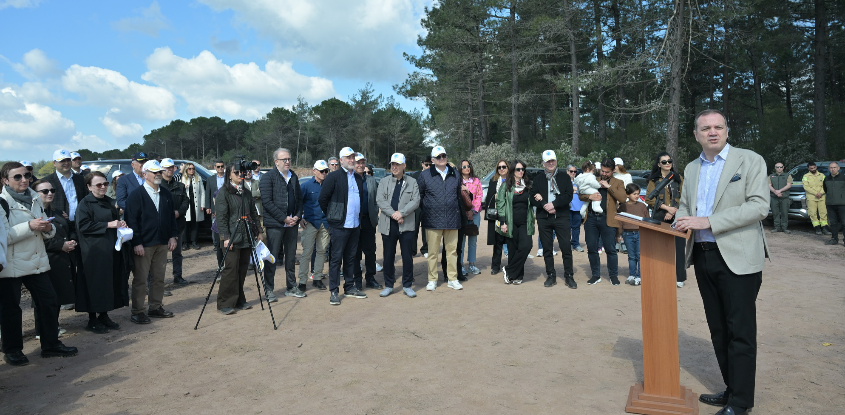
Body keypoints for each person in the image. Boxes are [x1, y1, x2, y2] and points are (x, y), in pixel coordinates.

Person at [674, 109, 770, 415]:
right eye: (706, 128)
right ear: (696, 135)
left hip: (738, 258)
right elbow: (685, 207)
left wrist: (709, 221)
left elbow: (759, 207)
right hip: (703, 255)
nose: (712, 132)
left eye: (718, 127)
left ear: (727, 131)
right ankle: (732, 389)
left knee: (740, 331)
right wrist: (678, 220)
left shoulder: (750, 160)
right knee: (718, 330)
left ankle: (741, 402)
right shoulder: (692, 168)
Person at [0, 162, 78, 365]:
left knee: (49, 302)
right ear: (5, 180)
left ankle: (50, 344)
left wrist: (49, 229)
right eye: (17, 177)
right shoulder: (2, 203)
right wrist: (30, 225)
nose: (24, 180)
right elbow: (3, 236)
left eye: (26, 175)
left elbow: (45, 227)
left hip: (36, 260)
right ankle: (12, 350)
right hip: (11, 264)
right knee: (10, 309)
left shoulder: (34, 198)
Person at [74, 171, 130, 333]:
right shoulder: (85, 204)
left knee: (108, 282)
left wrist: (120, 224)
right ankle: (92, 319)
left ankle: (104, 315)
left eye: (105, 184)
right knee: (94, 284)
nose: (103, 187)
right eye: (98, 185)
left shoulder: (108, 201)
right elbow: (82, 226)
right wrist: (108, 225)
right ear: (89, 187)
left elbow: (114, 221)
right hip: (94, 251)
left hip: (110, 248)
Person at [124, 160, 178, 324]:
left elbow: (171, 218)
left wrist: (172, 236)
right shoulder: (136, 195)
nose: (158, 174)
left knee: (159, 277)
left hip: (162, 242)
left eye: (159, 171)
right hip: (144, 244)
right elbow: (131, 221)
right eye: (154, 172)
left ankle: (155, 307)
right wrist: (136, 243)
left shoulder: (166, 193)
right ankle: (138, 311)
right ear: (144, 174)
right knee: (141, 279)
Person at [318, 147, 368, 305]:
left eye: (353, 157)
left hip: (355, 225)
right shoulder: (333, 177)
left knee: (351, 258)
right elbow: (323, 199)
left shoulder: (358, 178)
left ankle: (349, 286)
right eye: (348, 157)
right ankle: (334, 290)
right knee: (335, 259)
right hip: (339, 226)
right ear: (341, 160)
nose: (351, 160)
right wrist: (333, 216)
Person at [44, 149, 88, 309]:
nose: (66, 163)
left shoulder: (80, 179)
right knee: (63, 264)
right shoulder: (48, 181)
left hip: (80, 224)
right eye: (62, 160)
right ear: (54, 163)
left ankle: (79, 294)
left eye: (68, 160)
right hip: (59, 225)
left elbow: (84, 200)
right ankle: (65, 298)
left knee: (81, 261)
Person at [215, 162, 262, 315]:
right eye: (236, 172)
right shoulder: (223, 192)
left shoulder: (246, 192)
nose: (240, 174)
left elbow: (253, 213)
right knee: (230, 270)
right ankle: (224, 303)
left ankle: (239, 299)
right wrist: (226, 238)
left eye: (242, 172)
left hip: (246, 235)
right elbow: (221, 218)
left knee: (242, 270)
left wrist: (259, 231)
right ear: (229, 175)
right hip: (232, 237)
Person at [31, 180, 75, 336]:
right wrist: (60, 245)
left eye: (52, 190)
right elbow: (35, 238)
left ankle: (52, 326)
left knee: (56, 294)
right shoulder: (32, 213)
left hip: (60, 259)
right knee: (43, 297)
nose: (50, 193)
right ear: (35, 194)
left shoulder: (57, 211)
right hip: (43, 258)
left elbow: (68, 227)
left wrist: (72, 240)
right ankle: (41, 331)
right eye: (45, 191)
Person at [417, 146, 464, 291]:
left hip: (452, 219)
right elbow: (420, 196)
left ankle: (452, 278)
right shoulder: (425, 175)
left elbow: (458, 195)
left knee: (452, 251)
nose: (442, 158)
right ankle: (432, 279)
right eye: (438, 157)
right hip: (432, 220)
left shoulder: (455, 174)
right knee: (432, 253)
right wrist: (428, 210)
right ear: (432, 160)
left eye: (444, 155)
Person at [260, 148, 305, 300]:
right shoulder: (268, 177)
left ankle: (291, 286)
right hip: (275, 224)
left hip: (292, 224)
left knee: (291, 257)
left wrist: (297, 216)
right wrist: (284, 218)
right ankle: (269, 289)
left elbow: (299, 199)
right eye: (284, 159)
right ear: (276, 162)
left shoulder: (293, 176)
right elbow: (267, 202)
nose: (287, 162)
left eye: (289, 159)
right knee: (272, 257)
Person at [376, 153, 420, 298]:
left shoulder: (412, 182)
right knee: (388, 256)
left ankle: (407, 285)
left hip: (406, 224)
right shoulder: (384, 181)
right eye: (392, 164)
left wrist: (401, 213)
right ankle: (389, 285)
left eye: (397, 164)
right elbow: (380, 200)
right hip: (388, 224)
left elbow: (415, 201)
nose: (394, 167)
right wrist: (394, 214)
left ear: (404, 166)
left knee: (407, 256)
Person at [531, 150, 576, 288]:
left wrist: (554, 204)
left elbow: (568, 195)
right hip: (544, 218)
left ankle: (569, 275)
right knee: (547, 248)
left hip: (561, 216)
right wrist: (544, 204)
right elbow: (532, 196)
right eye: (548, 161)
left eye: (553, 161)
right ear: (543, 163)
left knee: (566, 247)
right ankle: (551, 275)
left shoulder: (564, 177)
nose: (551, 163)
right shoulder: (538, 179)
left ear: (556, 161)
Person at [579, 158, 627, 286]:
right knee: (591, 248)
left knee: (610, 249)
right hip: (591, 218)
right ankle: (595, 275)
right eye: (603, 171)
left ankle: (613, 276)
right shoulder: (593, 179)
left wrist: (609, 187)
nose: (604, 174)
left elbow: (623, 198)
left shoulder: (618, 182)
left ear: (613, 171)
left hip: (608, 219)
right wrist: (589, 196)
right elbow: (581, 194)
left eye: (607, 172)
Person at [645, 151, 687, 288]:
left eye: (669, 161)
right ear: (659, 164)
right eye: (664, 162)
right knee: (660, 247)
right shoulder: (653, 180)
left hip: (678, 216)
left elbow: (685, 197)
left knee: (679, 247)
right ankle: (661, 274)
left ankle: (679, 277)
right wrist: (666, 208)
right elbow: (649, 199)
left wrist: (674, 210)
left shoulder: (678, 178)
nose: (668, 164)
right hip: (660, 216)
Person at [496, 160, 536, 285]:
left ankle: (508, 269)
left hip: (525, 222)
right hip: (510, 222)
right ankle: (516, 276)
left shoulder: (528, 185)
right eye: (518, 169)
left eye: (523, 169)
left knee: (526, 246)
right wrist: (503, 222)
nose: (521, 171)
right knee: (513, 249)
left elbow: (534, 199)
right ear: (513, 171)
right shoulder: (506, 185)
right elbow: (500, 204)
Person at [353, 153, 383, 290]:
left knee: (370, 251)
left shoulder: (371, 180)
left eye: (362, 162)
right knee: (355, 252)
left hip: (368, 221)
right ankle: (357, 280)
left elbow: (378, 198)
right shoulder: (349, 179)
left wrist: (375, 212)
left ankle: (370, 278)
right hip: (353, 222)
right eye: (357, 162)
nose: (360, 165)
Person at [299, 160, 330, 291]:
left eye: (326, 171)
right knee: (307, 252)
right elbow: (298, 202)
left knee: (321, 252)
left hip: (325, 223)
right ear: (314, 171)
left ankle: (317, 278)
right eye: (321, 171)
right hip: (310, 223)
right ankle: (302, 281)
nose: (324, 173)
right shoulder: (306, 186)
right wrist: (299, 217)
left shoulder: (329, 185)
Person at [161, 158, 190, 285]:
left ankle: (178, 276)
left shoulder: (180, 186)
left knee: (177, 253)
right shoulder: (157, 186)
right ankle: (159, 280)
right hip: (161, 226)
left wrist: (179, 212)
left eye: (171, 167)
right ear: (161, 169)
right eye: (167, 167)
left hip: (178, 224)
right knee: (160, 255)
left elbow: (186, 201)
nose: (170, 170)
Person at [617, 183, 647, 286]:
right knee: (631, 256)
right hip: (627, 234)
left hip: (640, 233)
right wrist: (618, 235)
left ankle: (640, 276)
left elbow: (647, 220)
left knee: (639, 255)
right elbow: (620, 222)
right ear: (627, 194)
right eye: (634, 194)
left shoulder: (642, 206)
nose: (637, 196)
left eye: (638, 194)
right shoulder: (623, 207)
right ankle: (632, 275)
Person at [484, 159, 510, 275]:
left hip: (510, 214)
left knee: (511, 241)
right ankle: (495, 266)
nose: (502, 169)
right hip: (497, 214)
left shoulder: (512, 180)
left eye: (504, 167)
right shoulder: (494, 181)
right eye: (499, 167)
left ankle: (512, 265)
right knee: (498, 242)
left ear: (508, 168)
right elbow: (489, 198)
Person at [459, 159, 482, 275]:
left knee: (473, 240)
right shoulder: (457, 182)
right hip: (461, 215)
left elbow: (479, 196)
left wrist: (472, 211)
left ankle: (472, 264)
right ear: (460, 168)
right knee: (461, 240)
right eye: (464, 166)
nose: (467, 168)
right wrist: (465, 212)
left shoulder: (476, 181)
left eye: (468, 166)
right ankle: (461, 265)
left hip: (475, 214)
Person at [206, 160, 227, 265]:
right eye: (218, 167)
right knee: (215, 227)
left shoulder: (228, 178)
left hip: (226, 206)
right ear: (215, 167)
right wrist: (208, 207)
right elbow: (208, 193)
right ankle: (216, 243)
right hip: (215, 208)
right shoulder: (210, 179)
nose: (220, 168)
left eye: (222, 166)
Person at [180, 162, 205, 250]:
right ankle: (185, 243)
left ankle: (194, 242)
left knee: (195, 223)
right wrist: (183, 187)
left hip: (195, 203)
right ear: (186, 169)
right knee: (185, 224)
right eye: (190, 169)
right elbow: (179, 192)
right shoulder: (182, 178)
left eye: (193, 169)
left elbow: (202, 192)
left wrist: (202, 204)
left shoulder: (198, 178)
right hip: (186, 203)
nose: (192, 170)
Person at [410, 160, 431, 257]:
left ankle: (425, 249)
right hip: (416, 205)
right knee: (414, 228)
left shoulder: (433, 175)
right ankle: (412, 250)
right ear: (422, 164)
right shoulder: (415, 175)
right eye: (426, 164)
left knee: (426, 229)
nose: (428, 166)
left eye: (430, 165)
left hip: (428, 205)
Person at [803, 161, 830, 235]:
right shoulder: (806, 176)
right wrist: (816, 193)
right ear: (808, 169)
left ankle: (824, 228)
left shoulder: (822, 175)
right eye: (811, 168)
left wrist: (821, 193)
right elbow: (806, 187)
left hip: (821, 197)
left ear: (816, 167)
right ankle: (817, 228)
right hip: (811, 197)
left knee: (823, 213)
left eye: (814, 167)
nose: (813, 169)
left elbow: (825, 186)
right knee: (812, 213)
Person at [768, 162, 793, 234]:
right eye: (777, 167)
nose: (779, 168)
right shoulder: (771, 176)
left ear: (783, 167)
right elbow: (769, 185)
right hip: (774, 197)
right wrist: (775, 192)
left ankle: (784, 228)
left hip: (784, 197)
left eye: (781, 167)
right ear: (775, 168)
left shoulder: (788, 175)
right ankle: (776, 227)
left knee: (784, 213)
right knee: (775, 213)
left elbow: (789, 185)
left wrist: (780, 191)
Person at [824, 162, 845, 246]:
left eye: (834, 167)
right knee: (833, 223)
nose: (833, 169)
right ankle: (834, 239)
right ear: (829, 169)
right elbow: (825, 190)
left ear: (838, 168)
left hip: (842, 204)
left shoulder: (843, 178)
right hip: (830, 204)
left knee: (844, 222)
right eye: (831, 167)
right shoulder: (826, 178)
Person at [566, 165, 585, 252]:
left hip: (578, 208)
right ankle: (567, 244)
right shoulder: (564, 181)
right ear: (567, 171)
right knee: (567, 227)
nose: (573, 173)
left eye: (575, 171)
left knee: (576, 227)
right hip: (568, 208)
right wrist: (572, 189)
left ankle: (575, 244)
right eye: (571, 171)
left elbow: (583, 191)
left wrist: (576, 190)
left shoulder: (579, 181)